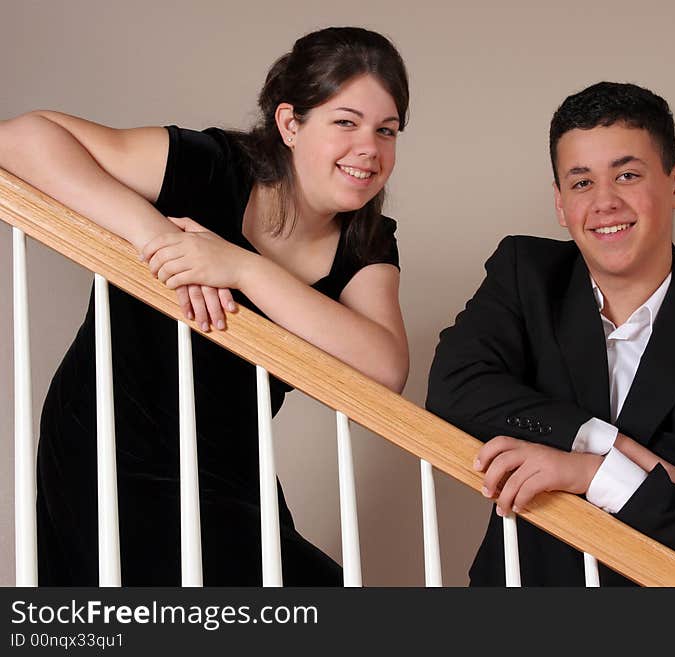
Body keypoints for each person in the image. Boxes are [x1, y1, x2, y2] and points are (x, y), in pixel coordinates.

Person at [0, 26, 410, 585]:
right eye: (346, 122)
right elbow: (20, 138)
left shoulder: (366, 241)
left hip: (231, 473)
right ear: (290, 123)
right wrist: (160, 241)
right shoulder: (212, 164)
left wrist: (241, 267)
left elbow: (384, 367)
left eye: (386, 131)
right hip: (110, 450)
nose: (370, 148)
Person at [425, 82, 675, 586]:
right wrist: (604, 441)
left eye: (626, 175)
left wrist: (593, 473)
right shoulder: (525, 274)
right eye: (581, 183)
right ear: (560, 204)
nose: (604, 203)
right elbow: (452, 388)